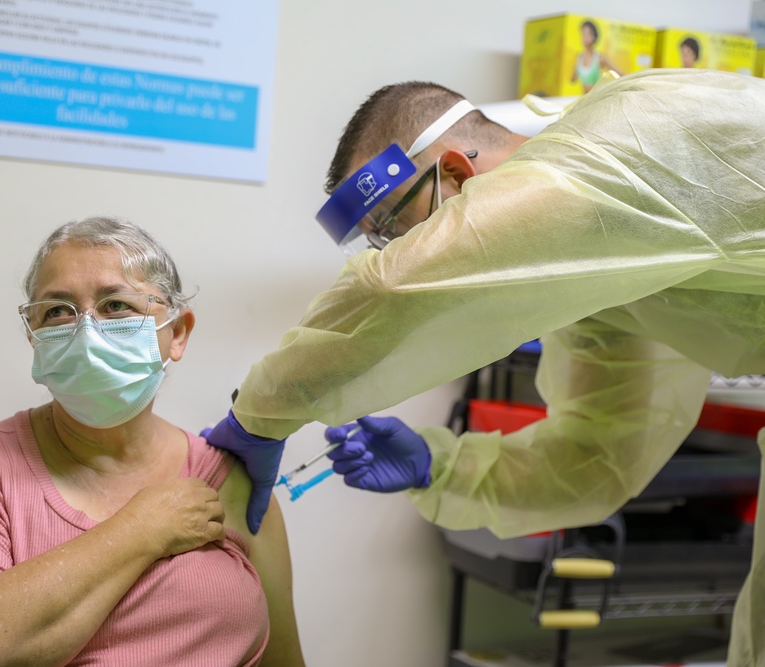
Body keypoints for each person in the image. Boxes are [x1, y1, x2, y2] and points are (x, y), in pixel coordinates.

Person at [204, 69, 765, 666]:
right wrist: (440, 467)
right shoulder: (597, 274)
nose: (396, 252)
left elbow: (399, 286)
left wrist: (257, 415)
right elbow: (600, 457)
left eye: (393, 231)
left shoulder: (633, 137)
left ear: (455, 174)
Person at [0, 217, 304, 666]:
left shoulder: (233, 481)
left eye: (116, 305)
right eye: (57, 311)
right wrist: (143, 528)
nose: (86, 333)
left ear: (178, 333)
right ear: (33, 334)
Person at [569, 20, 623, 93]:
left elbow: (617, 71)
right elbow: (573, 78)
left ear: (594, 36)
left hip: (596, 98)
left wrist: (634, 77)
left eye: (588, 34)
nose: (584, 37)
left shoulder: (600, 58)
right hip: (584, 98)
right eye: (583, 33)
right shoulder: (579, 58)